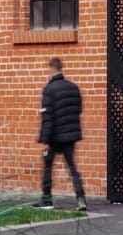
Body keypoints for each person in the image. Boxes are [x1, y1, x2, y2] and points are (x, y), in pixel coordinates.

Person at [36, 57, 87, 211]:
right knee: (72, 167)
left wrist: (44, 138)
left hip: (55, 136)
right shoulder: (74, 87)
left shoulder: (49, 89)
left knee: (48, 166)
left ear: (51, 69)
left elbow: (48, 116)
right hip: (70, 135)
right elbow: (78, 110)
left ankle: (46, 200)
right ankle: (81, 199)